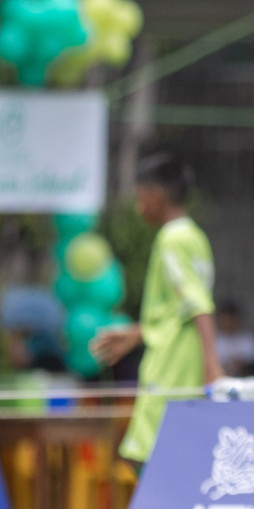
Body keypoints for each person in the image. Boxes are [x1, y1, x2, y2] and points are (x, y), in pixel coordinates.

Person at [91, 152, 223, 470]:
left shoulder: (171, 240)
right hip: (178, 355)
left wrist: (212, 364)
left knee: (149, 460)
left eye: (140, 198)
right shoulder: (194, 236)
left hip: (172, 366)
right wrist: (138, 334)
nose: (139, 208)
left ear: (156, 196)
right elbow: (177, 309)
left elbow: (197, 303)